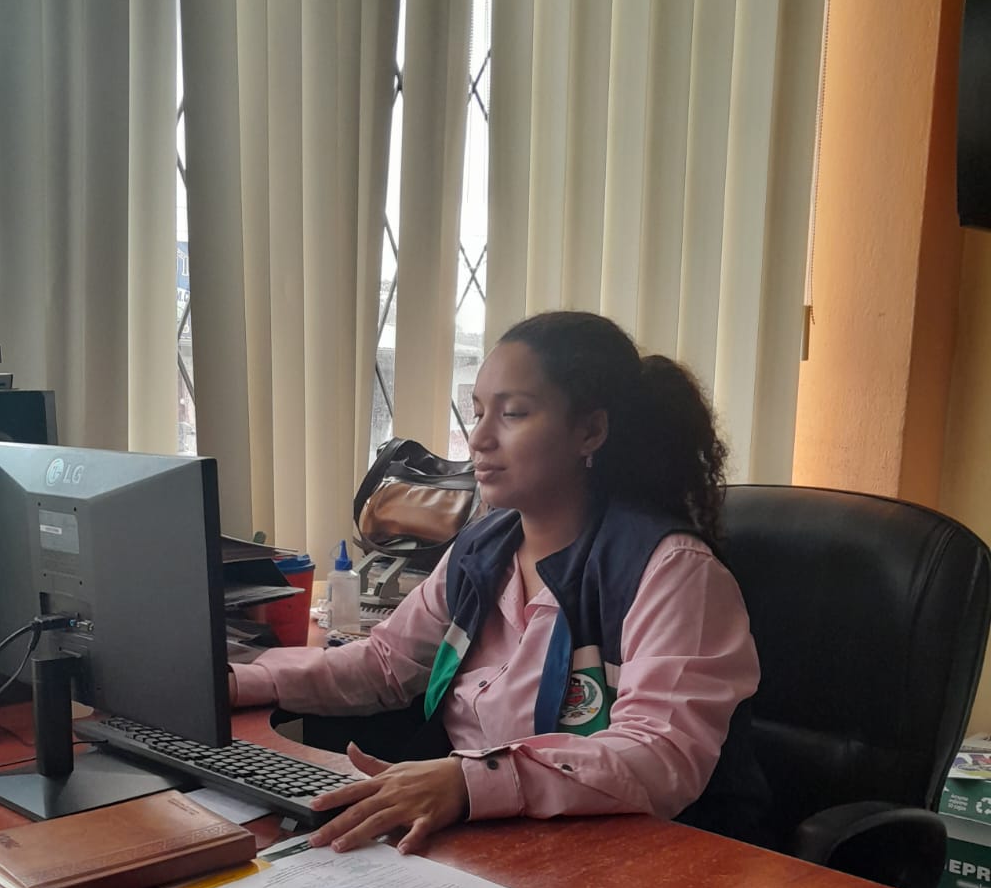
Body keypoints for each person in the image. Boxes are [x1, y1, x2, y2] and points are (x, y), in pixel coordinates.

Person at [230, 310, 769, 854]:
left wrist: (469, 782)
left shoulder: (670, 571)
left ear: (590, 431)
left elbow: (658, 755)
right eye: (478, 412)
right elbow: (385, 664)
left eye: (513, 414)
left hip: (631, 856)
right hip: (492, 837)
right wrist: (237, 682)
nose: (479, 439)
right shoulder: (482, 548)